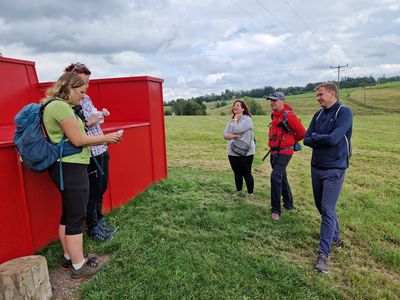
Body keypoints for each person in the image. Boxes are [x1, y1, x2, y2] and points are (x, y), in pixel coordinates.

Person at [42, 72, 122, 278]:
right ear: (69, 88)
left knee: (68, 214)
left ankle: (70, 257)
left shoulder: (55, 105)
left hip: (65, 167)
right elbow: (78, 140)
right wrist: (108, 138)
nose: (83, 96)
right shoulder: (60, 107)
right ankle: (79, 265)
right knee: (76, 215)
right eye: (81, 91)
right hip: (70, 168)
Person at [304, 82, 352, 273]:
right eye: (317, 95)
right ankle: (335, 237)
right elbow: (306, 139)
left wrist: (317, 137)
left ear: (332, 94)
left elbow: (334, 138)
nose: (318, 98)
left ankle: (323, 255)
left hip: (335, 168)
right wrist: (318, 137)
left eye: (321, 94)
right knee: (321, 206)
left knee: (327, 207)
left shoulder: (344, 112)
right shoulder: (318, 114)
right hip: (316, 166)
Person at [65, 62, 117, 242]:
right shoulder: (66, 104)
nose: (86, 87)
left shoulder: (85, 99)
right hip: (89, 152)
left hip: (101, 146)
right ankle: (93, 228)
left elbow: (94, 117)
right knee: (93, 191)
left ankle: (99, 221)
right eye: (82, 83)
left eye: (88, 83)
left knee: (101, 188)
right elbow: (74, 132)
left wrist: (101, 114)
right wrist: (90, 122)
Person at [266, 91, 305, 221]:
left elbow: (302, 133)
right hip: (273, 151)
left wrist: (291, 141)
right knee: (282, 177)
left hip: (285, 151)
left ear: (282, 101)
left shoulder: (289, 116)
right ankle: (289, 204)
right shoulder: (274, 115)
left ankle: (276, 210)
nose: (272, 103)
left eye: (274, 100)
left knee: (275, 177)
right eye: (271, 101)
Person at [223, 100, 255, 200]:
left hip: (246, 152)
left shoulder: (247, 119)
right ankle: (239, 191)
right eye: (234, 105)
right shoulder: (231, 120)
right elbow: (225, 135)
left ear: (243, 108)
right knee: (236, 172)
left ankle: (250, 193)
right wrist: (236, 136)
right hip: (232, 151)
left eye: (237, 105)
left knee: (246, 172)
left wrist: (236, 120)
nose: (235, 107)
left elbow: (237, 129)